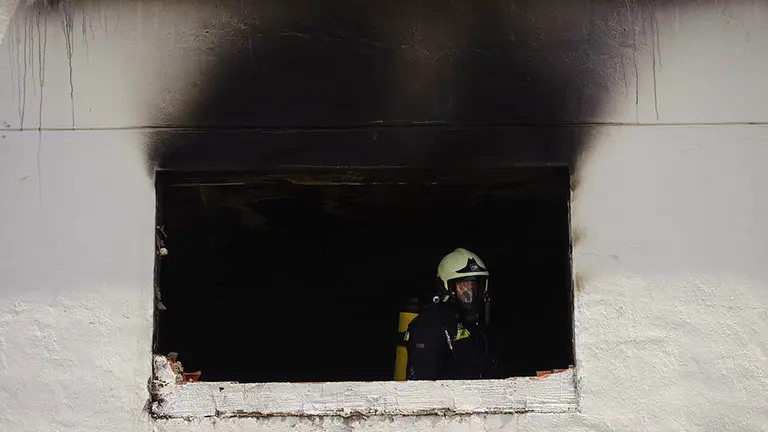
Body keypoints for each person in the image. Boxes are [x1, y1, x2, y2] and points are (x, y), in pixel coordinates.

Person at [404, 248, 502, 380]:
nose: (470, 294)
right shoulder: (429, 326)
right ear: (446, 289)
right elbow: (421, 387)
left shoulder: (480, 325)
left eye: (474, 286)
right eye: (463, 286)